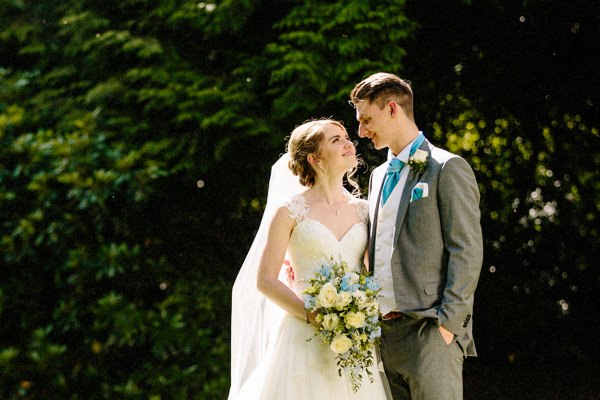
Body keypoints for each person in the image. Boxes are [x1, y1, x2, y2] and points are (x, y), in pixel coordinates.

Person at [228, 119, 391, 399]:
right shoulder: (289, 211)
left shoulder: (366, 211)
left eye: (346, 137)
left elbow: (375, 272)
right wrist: (311, 313)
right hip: (301, 336)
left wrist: (360, 310)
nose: (348, 143)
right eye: (335, 140)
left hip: (353, 339)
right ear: (315, 158)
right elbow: (265, 280)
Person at [349, 72, 483, 400]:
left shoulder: (447, 167)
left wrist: (449, 326)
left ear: (393, 108)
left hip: (430, 331)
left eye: (367, 120)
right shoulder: (379, 176)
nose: (361, 132)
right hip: (384, 334)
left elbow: (466, 250)